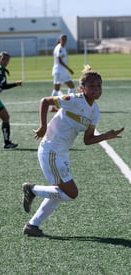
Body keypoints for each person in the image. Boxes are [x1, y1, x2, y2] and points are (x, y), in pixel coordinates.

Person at [22, 65, 124, 237]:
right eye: (92, 86)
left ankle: (32, 226)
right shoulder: (75, 99)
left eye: (99, 85)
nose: (96, 89)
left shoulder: (95, 110)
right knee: (71, 193)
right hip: (51, 150)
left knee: (59, 193)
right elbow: (45, 101)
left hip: (62, 153)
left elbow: (88, 140)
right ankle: (31, 189)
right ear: (82, 88)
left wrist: (107, 135)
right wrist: (43, 126)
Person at [50, 34, 75, 112]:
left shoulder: (63, 48)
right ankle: (53, 107)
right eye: (63, 39)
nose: (64, 40)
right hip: (58, 71)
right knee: (56, 89)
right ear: (60, 39)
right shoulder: (59, 48)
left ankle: (69, 103)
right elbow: (60, 61)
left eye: (65, 39)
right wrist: (69, 69)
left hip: (62, 71)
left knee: (71, 86)